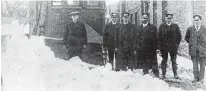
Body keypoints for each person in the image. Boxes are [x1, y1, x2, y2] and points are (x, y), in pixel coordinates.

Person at [134, 13, 159, 77]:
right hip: (142, 49)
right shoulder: (138, 28)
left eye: (145, 18)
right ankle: (146, 75)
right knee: (144, 62)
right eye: (143, 18)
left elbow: (156, 38)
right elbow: (136, 39)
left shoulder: (153, 27)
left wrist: (157, 48)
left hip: (151, 49)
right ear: (141, 19)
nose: (144, 19)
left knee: (153, 63)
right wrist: (135, 48)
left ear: (148, 19)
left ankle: (156, 76)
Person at [158, 13, 182, 79]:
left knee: (174, 60)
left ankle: (175, 74)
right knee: (164, 61)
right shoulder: (161, 26)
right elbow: (158, 37)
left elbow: (179, 36)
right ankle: (163, 74)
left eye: (170, 18)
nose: (169, 19)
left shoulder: (175, 26)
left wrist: (176, 44)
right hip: (164, 47)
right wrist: (160, 47)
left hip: (173, 47)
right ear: (165, 18)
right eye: (168, 18)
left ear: (171, 19)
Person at [185, 15, 206, 83]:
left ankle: (201, 78)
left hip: (202, 50)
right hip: (193, 50)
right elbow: (187, 38)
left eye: (197, 20)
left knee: (202, 65)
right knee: (195, 65)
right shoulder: (190, 28)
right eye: (195, 20)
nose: (196, 21)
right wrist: (192, 44)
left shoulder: (204, 28)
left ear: (200, 20)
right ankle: (195, 78)